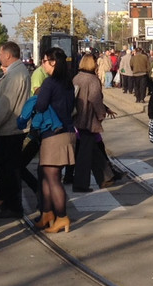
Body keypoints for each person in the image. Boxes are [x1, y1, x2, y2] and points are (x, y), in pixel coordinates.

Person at [31, 46, 76, 234]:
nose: (43, 65)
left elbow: (41, 106)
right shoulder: (68, 83)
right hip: (66, 132)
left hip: (53, 135)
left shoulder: (49, 83)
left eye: (44, 61)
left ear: (53, 62)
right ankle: (48, 213)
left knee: (52, 178)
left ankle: (61, 216)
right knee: (46, 175)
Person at [0, 41, 29, 219]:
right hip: (12, 127)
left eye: (0, 54)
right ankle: (5, 202)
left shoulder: (14, 75)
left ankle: (13, 206)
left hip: (10, 129)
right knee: (6, 168)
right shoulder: (17, 72)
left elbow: (6, 106)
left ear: (8, 55)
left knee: (9, 170)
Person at [71, 53, 114, 192]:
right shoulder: (92, 80)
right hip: (89, 120)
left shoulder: (77, 78)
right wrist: (101, 114)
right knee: (85, 153)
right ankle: (81, 183)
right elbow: (95, 99)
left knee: (93, 149)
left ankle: (106, 176)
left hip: (78, 118)